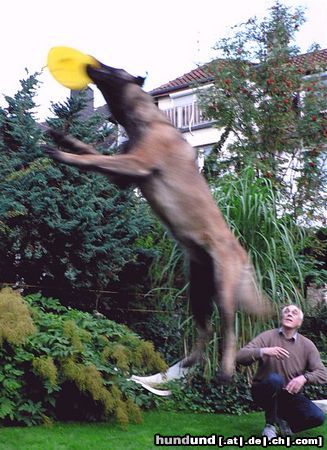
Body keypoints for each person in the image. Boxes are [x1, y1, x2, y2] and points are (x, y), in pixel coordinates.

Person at [236, 304, 327, 440]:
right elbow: (240, 356)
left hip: (288, 395)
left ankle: (285, 424)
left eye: (294, 312)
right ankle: (270, 425)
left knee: (318, 417)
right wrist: (263, 351)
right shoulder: (267, 337)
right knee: (275, 380)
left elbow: (323, 373)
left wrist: (304, 378)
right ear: (282, 317)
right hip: (263, 390)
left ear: (299, 322)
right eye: (286, 311)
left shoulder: (307, 345)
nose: (289, 314)